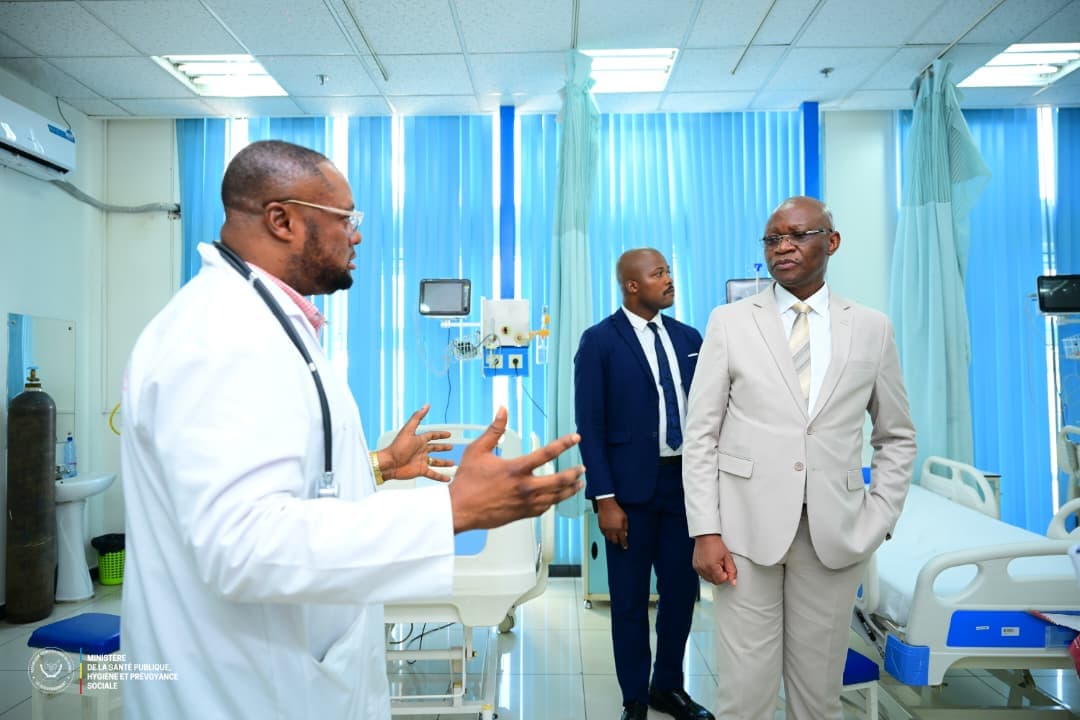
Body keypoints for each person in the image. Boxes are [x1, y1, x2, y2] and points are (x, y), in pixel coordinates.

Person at [120, 140, 584, 719]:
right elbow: (240, 545)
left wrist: (379, 466)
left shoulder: (264, 321)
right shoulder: (221, 338)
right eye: (346, 219)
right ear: (283, 219)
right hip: (245, 691)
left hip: (289, 669)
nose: (357, 236)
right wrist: (451, 512)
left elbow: (282, 482)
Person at [682, 196, 917, 720]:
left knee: (818, 697)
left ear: (831, 241)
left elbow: (896, 435)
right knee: (744, 696)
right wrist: (705, 529)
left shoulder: (871, 328)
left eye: (798, 234)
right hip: (743, 533)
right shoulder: (730, 322)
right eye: (772, 238)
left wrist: (879, 518)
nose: (783, 246)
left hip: (835, 535)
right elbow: (701, 435)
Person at [575, 248, 714, 720]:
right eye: (658, 274)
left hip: (685, 485)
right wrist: (604, 499)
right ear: (632, 285)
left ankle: (667, 687)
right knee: (630, 601)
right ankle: (634, 696)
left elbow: (710, 414)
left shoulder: (689, 338)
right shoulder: (599, 342)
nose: (669, 279)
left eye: (669, 271)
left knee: (681, 593)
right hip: (629, 493)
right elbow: (590, 427)